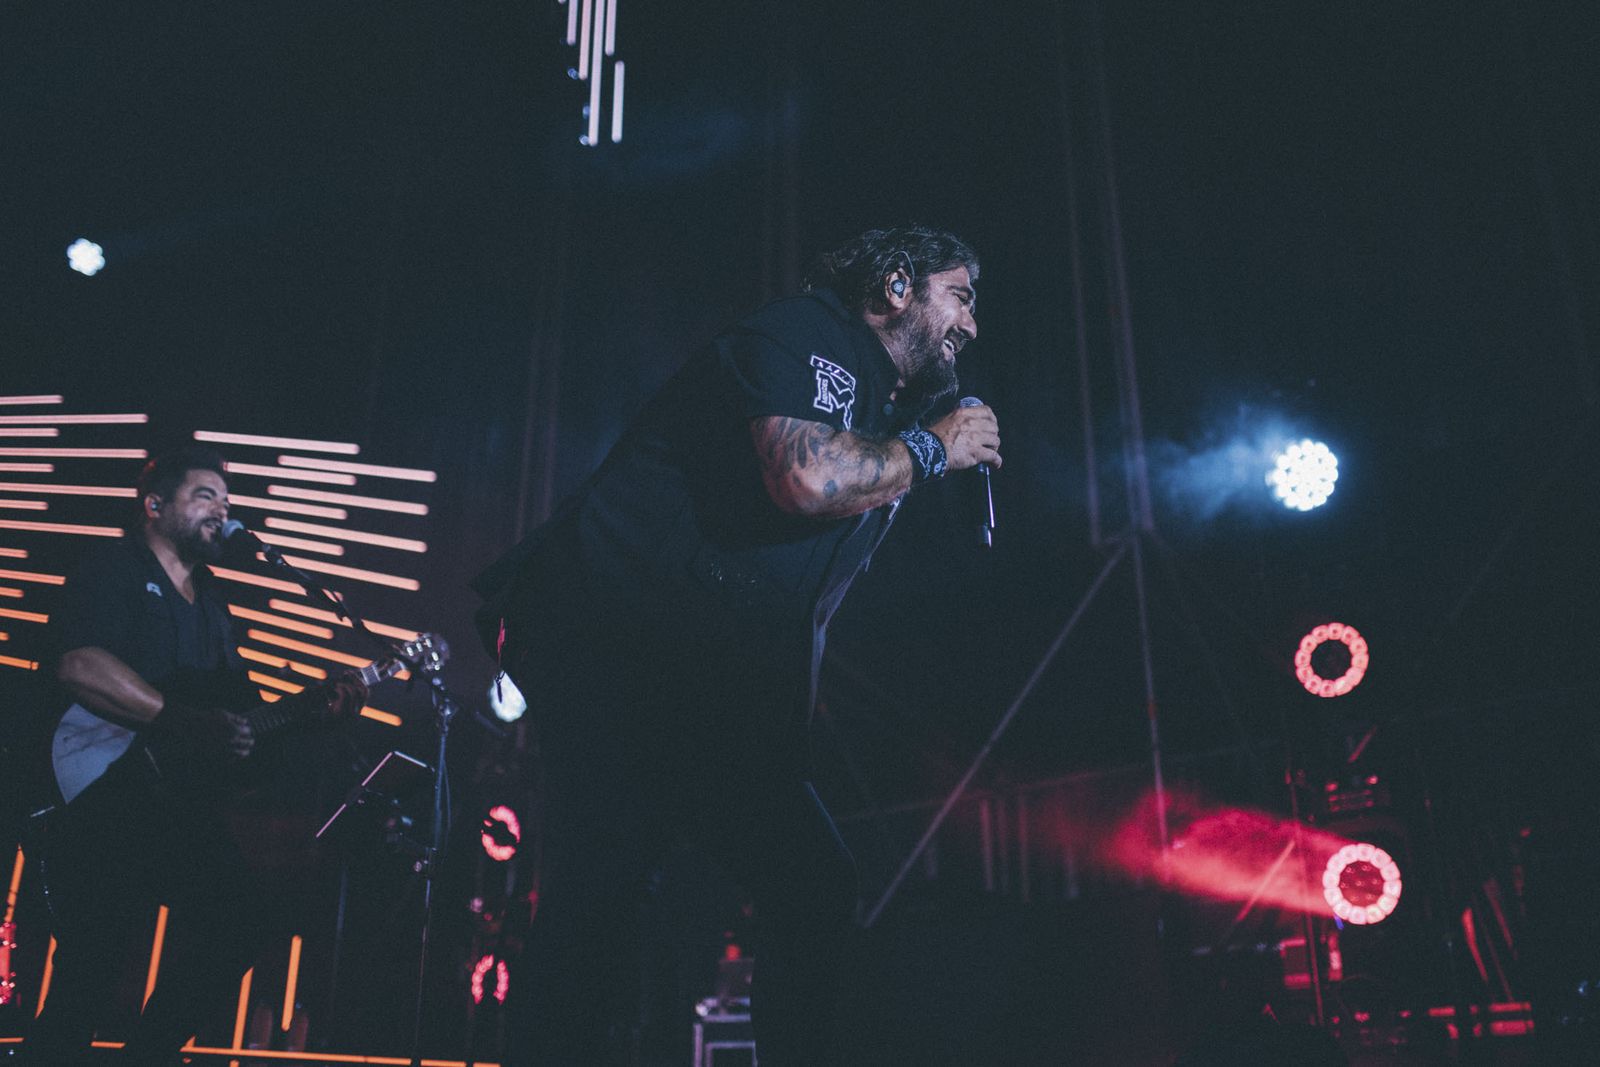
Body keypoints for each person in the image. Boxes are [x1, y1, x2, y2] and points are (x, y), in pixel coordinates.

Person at [473, 225, 1001, 1065]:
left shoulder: (880, 408)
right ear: (897, 284)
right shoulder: (805, 334)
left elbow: (810, 600)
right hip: (616, 638)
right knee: (608, 888)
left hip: (693, 674)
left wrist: (779, 738)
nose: (972, 323)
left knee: (799, 886)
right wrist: (934, 448)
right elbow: (804, 478)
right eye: (961, 295)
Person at [20, 446, 366, 1066]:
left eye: (227, 502)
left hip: (167, 806)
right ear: (154, 506)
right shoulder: (113, 569)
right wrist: (179, 720)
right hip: (99, 796)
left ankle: (146, 1055)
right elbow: (78, 664)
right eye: (206, 497)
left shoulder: (213, 608)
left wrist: (315, 711)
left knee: (243, 920)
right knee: (86, 983)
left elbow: (240, 720)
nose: (222, 511)